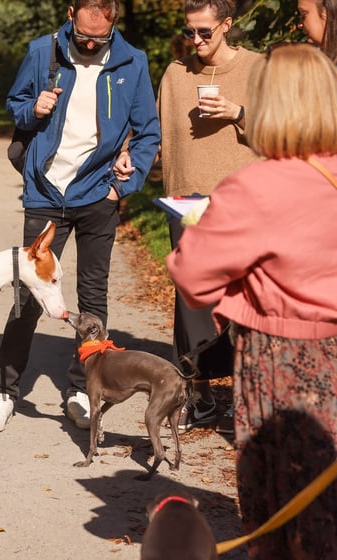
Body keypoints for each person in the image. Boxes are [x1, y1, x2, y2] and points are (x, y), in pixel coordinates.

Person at [167, 42, 337, 559]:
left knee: (281, 507)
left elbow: (191, 276)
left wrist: (237, 281)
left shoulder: (255, 186)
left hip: (279, 361)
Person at [0, 0, 160, 432]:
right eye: (83, 36)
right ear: (70, 12)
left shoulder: (132, 61)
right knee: (27, 297)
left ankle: (82, 388)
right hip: (45, 193)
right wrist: (33, 108)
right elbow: (15, 104)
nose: (91, 45)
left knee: (93, 296)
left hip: (98, 194)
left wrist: (123, 184)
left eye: (100, 37)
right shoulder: (42, 52)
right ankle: (4, 392)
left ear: (114, 21)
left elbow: (148, 132)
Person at [156, 0, 262, 434]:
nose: (196, 40)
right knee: (192, 303)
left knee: (246, 299)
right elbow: (156, 133)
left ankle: (246, 394)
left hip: (243, 200)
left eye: (205, 31)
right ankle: (197, 394)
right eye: (190, 32)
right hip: (185, 200)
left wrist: (238, 114)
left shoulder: (257, 69)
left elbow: (279, 131)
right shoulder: (175, 73)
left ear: (227, 25)